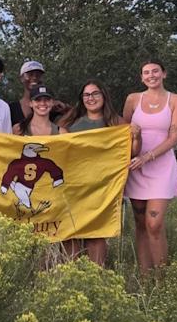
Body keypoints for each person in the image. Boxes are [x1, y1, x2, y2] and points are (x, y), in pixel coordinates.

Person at [58, 79, 141, 266]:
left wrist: (136, 136)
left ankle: (96, 275)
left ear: (103, 96)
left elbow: (131, 152)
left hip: (103, 187)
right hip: (75, 185)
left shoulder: (116, 122)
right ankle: (72, 274)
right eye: (86, 95)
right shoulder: (71, 122)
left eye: (95, 93)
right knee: (71, 231)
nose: (91, 98)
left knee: (97, 233)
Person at [123, 59, 177, 276]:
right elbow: (123, 131)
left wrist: (148, 156)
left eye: (155, 71)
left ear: (164, 74)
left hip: (161, 167)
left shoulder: (176, 100)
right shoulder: (133, 99)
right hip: (136, 168)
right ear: (142, 78)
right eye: (146, 72)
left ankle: (161, 279)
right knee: (141, 224)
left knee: (154, 223)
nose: (151, 75)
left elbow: (174, 137)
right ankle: (144, 276)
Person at [10, 60, 70, 133]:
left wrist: (65, 108)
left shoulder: (52, 108)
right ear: (21, 78)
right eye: (30, 74)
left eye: (38, 75)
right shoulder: (11, 109)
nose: (34, 77)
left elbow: (75, 115)